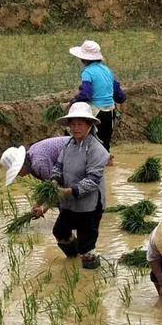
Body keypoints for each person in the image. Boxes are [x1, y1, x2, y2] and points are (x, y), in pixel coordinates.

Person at [50, 102, 110, 269]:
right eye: (73, 124)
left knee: (87, 249)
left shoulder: (97, 150)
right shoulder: (69, 145)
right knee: (60, 232)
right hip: (69, 203)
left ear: (89, 125)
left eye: (80, 124)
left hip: (89, 207)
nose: (76, 128)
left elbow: (92, 181)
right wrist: (54, 181)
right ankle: (72, 260)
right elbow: (58, 166)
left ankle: (90, 282)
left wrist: (68, 191)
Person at [68, 40, 126, 154]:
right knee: (105, 146)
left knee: (89, 144)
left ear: (83, 59)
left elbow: (86, 95)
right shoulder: (107, 70)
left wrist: (73, 101)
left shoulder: (87, 72)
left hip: (96, 113)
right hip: (110, 113)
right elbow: (119, 95)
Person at [0, 136, 70, 218]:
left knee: (67, 200)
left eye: (17, 172)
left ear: (21, 165)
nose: (20, 176)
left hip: (80, 152)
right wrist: (37, 204)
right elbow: (48, 188)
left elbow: (56, 188)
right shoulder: (32, 159)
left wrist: (44, 208)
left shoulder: (38, 164)